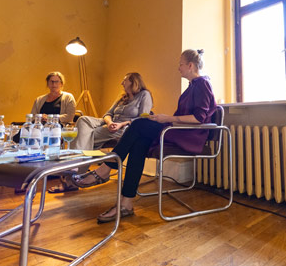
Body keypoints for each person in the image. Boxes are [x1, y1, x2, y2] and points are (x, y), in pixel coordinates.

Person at [72, 49, 216, 223]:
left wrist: (167, 118)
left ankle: (105, 169)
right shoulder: (193, 86)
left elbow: (199, 118)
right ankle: (126, 204)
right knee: (139, 142)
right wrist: (163, 119)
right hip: (177, 131)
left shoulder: (202, 84)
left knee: (139, 124)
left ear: (190, 65)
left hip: (188, 136)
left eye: (181, 64)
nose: (179, 68)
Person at [74, 72, 153, 151]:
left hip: (125, 127)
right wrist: (109, 122)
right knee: (82, 119)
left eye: (125, 81)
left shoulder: (144, 94)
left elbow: (143, 119)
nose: (122, 83)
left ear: (134, 82)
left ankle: (76, 160)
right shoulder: (122, 97)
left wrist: (121, 124)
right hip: (110, 123)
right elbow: (108, 114)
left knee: (83, 134)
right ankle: (79, 160)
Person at [33, 71, 77, 193]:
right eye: (51, 81)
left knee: (43, 137)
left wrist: (50, 118)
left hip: (57, 128)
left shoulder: (68, 97)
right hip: (39, 127)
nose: (53, 84)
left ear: (61, 84)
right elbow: (33, 116)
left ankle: (43, 171)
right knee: (22, 137)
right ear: (47, 83)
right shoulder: (39, 99)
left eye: (56, 81)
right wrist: (40, 118)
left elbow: (69, 117)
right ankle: (25, 173)